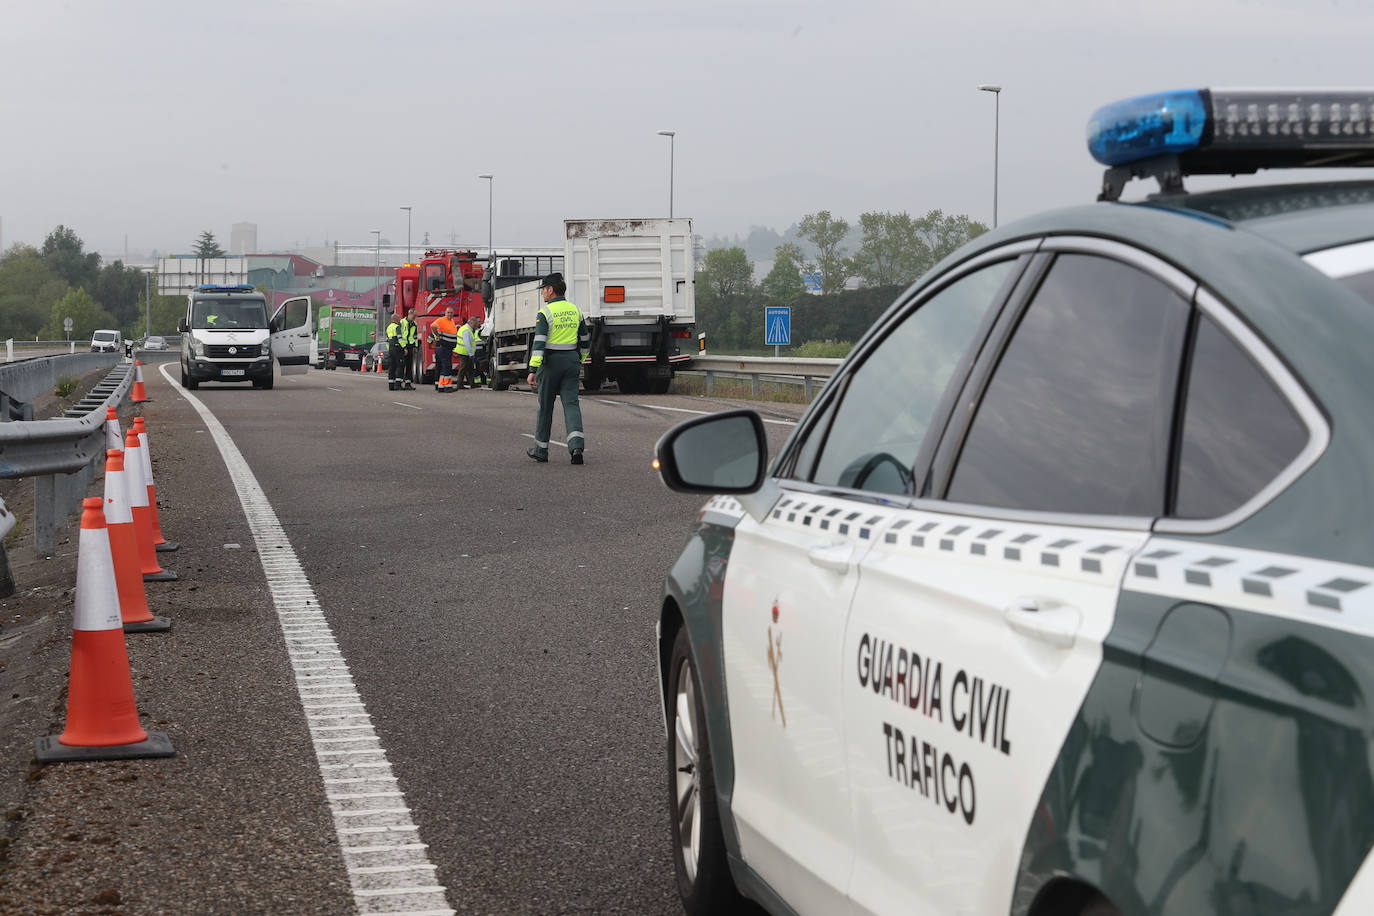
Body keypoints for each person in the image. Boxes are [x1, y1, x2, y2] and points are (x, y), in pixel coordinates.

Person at [526, 273, 589, 465]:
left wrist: (532, 369)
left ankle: (541, 450)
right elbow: (585, 340)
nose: (542, 293)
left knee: (546, 407)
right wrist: (580, 359)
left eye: (543, 289)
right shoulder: (575, 310)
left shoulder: (545, 313)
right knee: (571, 404)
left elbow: (539, 343)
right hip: (571, 361)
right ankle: (576, 447)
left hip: (551, 363)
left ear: (551, 290)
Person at [428, 306, 459, 391]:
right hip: (443, 347)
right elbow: (432, 326)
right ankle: (447, 386)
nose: (449, 314)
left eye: (451, 313)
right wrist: (437, 335)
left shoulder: (452, 321)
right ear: (445, 313)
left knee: (444, 367)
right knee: (446, 367)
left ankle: (441, 386)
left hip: (448, 348)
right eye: (448, 312)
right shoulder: (442, 320)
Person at [455, 315, 480, 389]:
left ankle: (472, 383)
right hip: (464, 352)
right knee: (463, 368)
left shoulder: (466, 329)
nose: (475, 327)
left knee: (470, 368)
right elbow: (467, 343)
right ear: (471, 323)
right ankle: (459, 384)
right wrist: (471, 354)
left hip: (465, 352)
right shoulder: (466, 330)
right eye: (475, 325)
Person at [398, 307, 418, 389]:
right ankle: (398, 383)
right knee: (401, 365)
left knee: (409, 365)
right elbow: (400, 336)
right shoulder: (402, 322)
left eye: (415, 316)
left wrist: (416, 347)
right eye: (414, 315)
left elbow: (415, 337)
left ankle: (408, 383)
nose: (414, 317)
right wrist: (404, 347)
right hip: (403, 346)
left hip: (410, 346)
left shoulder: (414, 324)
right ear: (409, 314)